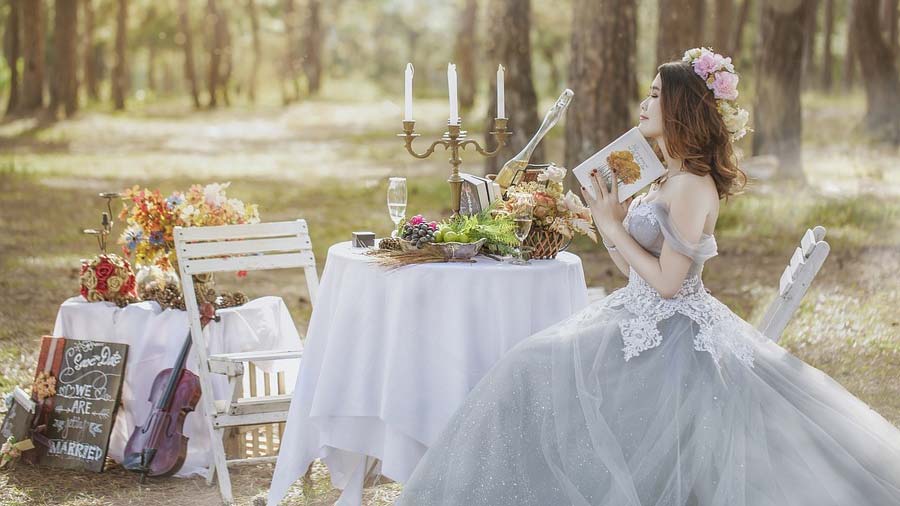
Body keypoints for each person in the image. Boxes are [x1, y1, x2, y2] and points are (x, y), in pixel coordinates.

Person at [394, 48, 900, 505]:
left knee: (528, 365)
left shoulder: (691, 186)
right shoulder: (667, 176)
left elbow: (669, 284)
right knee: (526, 364)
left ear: (679, 107)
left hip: (671, 337)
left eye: (656, 94)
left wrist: (614, 225)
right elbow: (635, 269)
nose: (644, 102)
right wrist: (604, 224)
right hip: (639, 315)